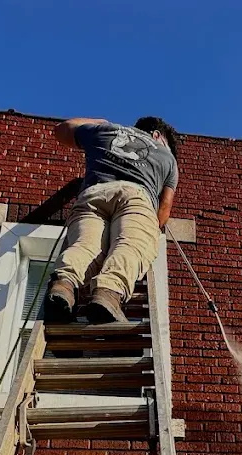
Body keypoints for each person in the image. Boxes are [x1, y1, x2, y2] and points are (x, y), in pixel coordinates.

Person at [45, 116, 178, 324]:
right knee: (130, 246)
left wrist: (100, 122)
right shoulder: (169, 159)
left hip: (94, 193)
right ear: (157, 135)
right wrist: (152, 228)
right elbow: (164, 209)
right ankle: (108, 293)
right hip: (136, 198)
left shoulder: (105, 131)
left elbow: (61, 130)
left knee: (85, 246)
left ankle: (64, 285)